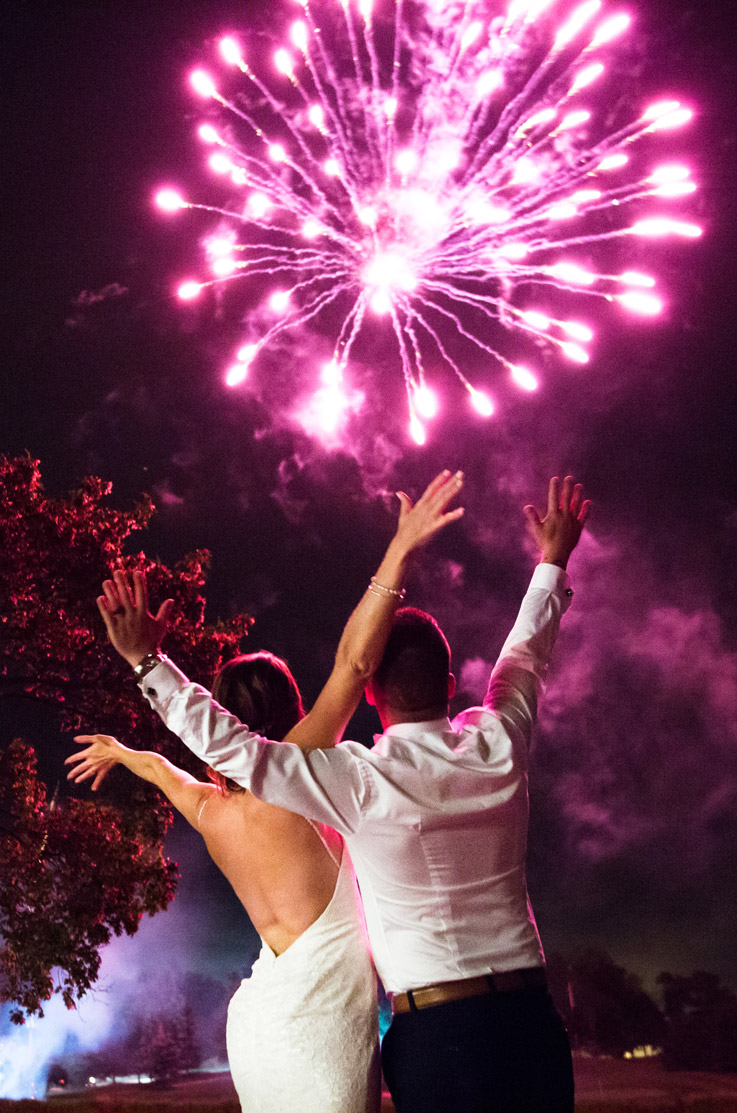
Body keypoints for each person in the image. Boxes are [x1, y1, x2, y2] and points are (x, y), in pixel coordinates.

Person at [91, 472, 589, 1113]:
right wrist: (553, 559)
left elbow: (233, 750)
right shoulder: (499, 740)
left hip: (437, 1037)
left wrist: (145, 663)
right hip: (530, 1021)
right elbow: (525, 654)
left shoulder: (357, 779)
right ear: (448, 682)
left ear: (374, 694)